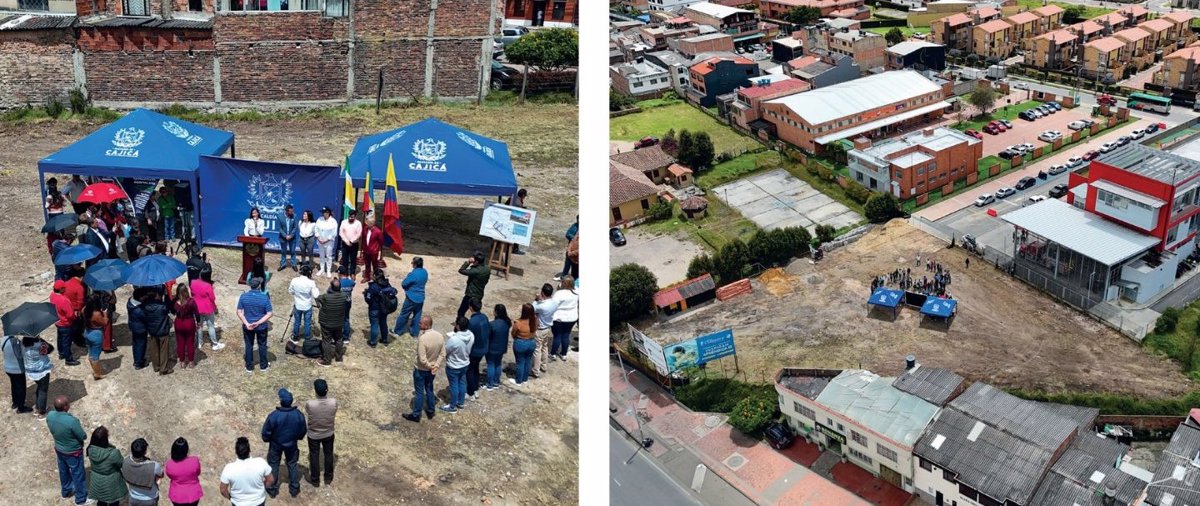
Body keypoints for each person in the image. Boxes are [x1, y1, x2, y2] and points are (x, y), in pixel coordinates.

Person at [261, 388, 306, 498]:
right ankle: (294, 488)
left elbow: (266, 433)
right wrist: (297, 438)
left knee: (274, 464)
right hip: (292, 445)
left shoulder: (274, 416)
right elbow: (302, 431)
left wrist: (268, 439)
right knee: (292, 464)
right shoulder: (299, 415)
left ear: (281, 401)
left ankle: (271, 489)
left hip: (276, 445)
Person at [402, 316, 445, 423]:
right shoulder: (439, 336)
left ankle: (416, 414)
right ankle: (431, 410)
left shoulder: (423, 339)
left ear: (426, 325)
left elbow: (422, 359)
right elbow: (443, 353)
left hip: (421, 370)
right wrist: (436, 365)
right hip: (432, 371)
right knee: (429, 389)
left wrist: (430, 366)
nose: (419, 324)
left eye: (420, 323)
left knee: (419, 392)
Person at [48, 396, 90, 505]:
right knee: (78, 474)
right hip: (73, 452)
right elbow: (83, 436)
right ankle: (81, 499)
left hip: (59, 449)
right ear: (66, 406)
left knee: (63, 471)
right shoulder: (71, 421)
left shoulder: (50, 416)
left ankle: (66, 492)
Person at [5, 334, 53, 417]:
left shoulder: (22, 343)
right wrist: (41, 340)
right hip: (41, 370)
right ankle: (41, 412)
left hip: (30, 371)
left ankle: (39, 407)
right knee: (43, 390)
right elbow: (50, 349)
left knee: (40, 387)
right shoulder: (40, 345)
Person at [219, 437, 273, 506]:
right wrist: (263, 487)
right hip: (258, 502)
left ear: (236, 452)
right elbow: (270, 480)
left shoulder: (229, 469)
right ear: (249, 450)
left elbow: (223, 490)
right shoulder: (260, 463)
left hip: (238, 503)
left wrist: (230, 498)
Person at [304, 379, 338, 486]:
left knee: (314, 456)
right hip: (328, 432)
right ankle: (328, 477)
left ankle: (315, 479)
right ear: (327, 390)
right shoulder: (333, 402)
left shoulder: (310, 404)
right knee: (328, 454)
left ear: (315, 391)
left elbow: (308, 412)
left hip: (314, 434)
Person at [236, 278, 273, 373]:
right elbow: (269, 313)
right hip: (261, 327)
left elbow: (239, 312)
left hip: (248, 326)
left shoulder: (243, 296)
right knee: (262, 345)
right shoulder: (264, 297)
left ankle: (249, 367)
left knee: (249, 345)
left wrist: (247, 323)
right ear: (259, 285)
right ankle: (263, 366)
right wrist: (258, 322)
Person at [441, 316, 474, 414]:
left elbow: (446, 351)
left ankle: (452, 406)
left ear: (458, 326)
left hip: (454, 365)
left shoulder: (454, 339)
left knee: (454, 385)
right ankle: (461, 402)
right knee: (462, 383)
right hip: (465, 363)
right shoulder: (471, 335)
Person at [86, 426, 126, 506]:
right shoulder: (113, 453)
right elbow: (121, 463)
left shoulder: (90, 450)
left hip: (97, 481)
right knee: (114, 502)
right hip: (112, 482)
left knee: (101, 501)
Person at [313, 278, 349, 366]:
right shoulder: (344, 296)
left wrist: (328, 292)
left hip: (327, 323)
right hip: (339, 322)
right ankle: (338, 357)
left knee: (326, 341)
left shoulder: (326, 297)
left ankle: (327, 360)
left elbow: (318, 298)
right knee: (339, 339)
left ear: (331, 287)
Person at [392, 256, 427, 339]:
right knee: (417, 315)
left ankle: (398, 331)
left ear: (415, 264)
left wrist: (409, 275)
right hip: (421, 297)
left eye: (412, 263)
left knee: (404, 314)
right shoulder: (425, 272)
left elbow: (404, 284)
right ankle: (414, 333)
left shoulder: (413, 274)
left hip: (411, 298)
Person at [122, 438, 163, 506]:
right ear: (145, 452)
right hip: (150, 499)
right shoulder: (154, 465)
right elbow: (160, 474)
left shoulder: (125, 462)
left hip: (133, 497)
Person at [190, 269, 223, 351]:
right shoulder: (208, 285)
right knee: (210, 326)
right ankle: (215, 344)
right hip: (208, 308)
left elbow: (192, 294)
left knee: (199, 325)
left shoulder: (193, 282)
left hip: (197, 308)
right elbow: (213, 298)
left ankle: (199, 343)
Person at [465, 298, 491, 400]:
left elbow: (468, 337)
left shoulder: (472, 322)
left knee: (470, 370)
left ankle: (470, 392)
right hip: (483, 348)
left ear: (470, 307)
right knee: (475, 368)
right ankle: (475, 388)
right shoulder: (484, 317)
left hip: (475, 350)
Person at [164, 438, 203, 506]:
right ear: (186, 450)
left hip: (177, 495)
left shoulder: (169, 464)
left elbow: (170, 476)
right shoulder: (195, 461)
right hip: (193, 494)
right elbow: (198, 473)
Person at [364, 269, 397, 347]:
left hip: (374, 308)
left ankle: (373, 342)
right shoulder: (387, 284)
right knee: (383, 323)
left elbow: (368, 299)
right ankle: (384, 339)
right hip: (384, 308)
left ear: (375, 276)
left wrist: (366, 295)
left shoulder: (373, 286)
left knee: (374, 324)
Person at [288, 265, 320, 343]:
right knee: (307, 323)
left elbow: (290, 291)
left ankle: (295, 337)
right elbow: (316, 295)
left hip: (298, 305)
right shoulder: (311, 282)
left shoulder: (294, 280)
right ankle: (307, 338)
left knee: (297, 322)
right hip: (307, 306)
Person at [3, 333, 34, 413]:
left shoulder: (3, 339)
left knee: (14, 385)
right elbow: (19, 356)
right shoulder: (15, 342)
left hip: (7, 367)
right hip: (17, 369)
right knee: (21, 388)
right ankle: (21, 407)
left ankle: (15, 403)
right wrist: (23, 346)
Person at [143, 290, 173, 375]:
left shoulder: (146, 306)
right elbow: (169, 306)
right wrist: (167, 296)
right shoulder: (162, 306)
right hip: (163, 330)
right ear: (156, 296)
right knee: (164, 350)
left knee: (154, 349)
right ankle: (164, 368)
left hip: (152, 331)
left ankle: (156, 366)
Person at [51, 280, 80, 366]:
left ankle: (61, 353)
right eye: (64, 288)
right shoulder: (64, 300)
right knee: (66, 341)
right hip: (66, 323)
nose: (65, 289)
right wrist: (75, 317)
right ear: (61, 289)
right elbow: (70, 314)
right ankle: (69, 359)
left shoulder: (52, 295)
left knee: (60, 338)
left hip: (58, 321)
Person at [532, 283, 557, 378]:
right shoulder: (554, 302)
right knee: (545, 347)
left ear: (542, 292)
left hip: (540, 329)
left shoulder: (541, 306)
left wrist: (536, 300)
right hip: (548, 327)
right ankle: (544, 365)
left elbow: (532, 307)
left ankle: (536, 370)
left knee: (537, 349)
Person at [551, 275, 579, 361]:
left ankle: (553, 353)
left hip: (559, 317)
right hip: (571, 318)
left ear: (564, 283)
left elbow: (553, 305)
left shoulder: (559, 293)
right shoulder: (577, 292)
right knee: (566, 336)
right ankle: (564, 354)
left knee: (557, 336)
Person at [171, 285, 199, 369]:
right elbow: (196, 313)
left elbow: (172, 311)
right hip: (189, 322)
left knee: (180, 343)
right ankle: (191, 362)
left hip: (179, 322)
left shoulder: (175, 301)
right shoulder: (191, 301)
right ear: (186, 291)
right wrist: (198, 322)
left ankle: (182, 362)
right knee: (190, 343)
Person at [82, 294, 109, 380]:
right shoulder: (97, 314)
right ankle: (97, 374)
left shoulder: (84, 309)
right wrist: (105, 314)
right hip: (96, 334)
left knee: (91, 351)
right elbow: (105, 323)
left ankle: (93, 367)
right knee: (96, 356)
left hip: (87, 332)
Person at [457, 252, 490, 320]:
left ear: (477, 261)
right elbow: (486, 281)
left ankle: (461, 324)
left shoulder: (475, 270)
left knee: (461, 311)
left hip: (471, 294)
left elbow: (461, 270)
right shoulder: (487, 269)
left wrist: (468, 262)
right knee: (476, 311)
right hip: (480, 293)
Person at [510, 303, 538, 385]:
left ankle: (519, 381)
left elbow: (513, 333)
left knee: (520, 362)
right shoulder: (535, 320)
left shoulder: (518, 323)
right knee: (528, 361)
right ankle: (525, 379)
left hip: (520, 343)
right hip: (532, 342)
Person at [486, 304, 511, 390]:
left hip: (492, 348)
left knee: (491, 365)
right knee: (498, 364)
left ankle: (489, 384)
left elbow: (487, 336)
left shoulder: (492, 324)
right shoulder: (507, 323)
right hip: (502, 348)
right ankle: (496, 382)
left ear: (496, 312)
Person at [314, 207, 338, 278]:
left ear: (328, 213)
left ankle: (328, 270)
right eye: (323, 212)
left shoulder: (333, 221)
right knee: (321, 256)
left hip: (329, 242)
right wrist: (318, 238)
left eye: (325, 212)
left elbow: (334, 233)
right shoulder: (319, 219)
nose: (324, 214)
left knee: (328, 256)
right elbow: (316, 229)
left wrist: (326, 240)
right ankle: (322, 269)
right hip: (320, 241)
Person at [338, 210, 362, 275]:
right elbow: (341, 232)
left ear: (355, 217)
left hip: (354, 244)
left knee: (353, 259)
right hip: (345, 244)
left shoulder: (358, 223)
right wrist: (346, 241)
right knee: (345, 259)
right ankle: (345, 272)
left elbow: (358, 234)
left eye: (352, 217)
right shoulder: (343, 222)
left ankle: (352, 273)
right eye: (350, 217)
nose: (350, 218)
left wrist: (351, 241)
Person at [555, 217, 578, 281]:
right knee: (567, 264)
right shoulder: (575, 226)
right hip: (570, 250)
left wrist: (573, 252)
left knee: (575, 268)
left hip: (576, 254)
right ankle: (563, 277)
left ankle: (573, 281)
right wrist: (569, 250)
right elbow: (568, 234)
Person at [360, 217, 383, 283]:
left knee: (375, 265)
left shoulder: (378, 231)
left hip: (374, 252)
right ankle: (367, 277)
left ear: (373, 223)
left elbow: (381, 241)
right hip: (366, 251)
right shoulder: (365, 229)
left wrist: (376, 248)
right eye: (368, 222)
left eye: (370, 223)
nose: (368, 224)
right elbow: (364, 239)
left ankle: (376, 277)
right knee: (367, 264)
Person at [338, 266, 356, 344]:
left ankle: (338, 335)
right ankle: (346, 337)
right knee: (346, 319)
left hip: (339, 303)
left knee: (338, 319)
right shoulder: (351, 282)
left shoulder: (338, 283)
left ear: (339, 273)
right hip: (348, 302)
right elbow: (353, 284)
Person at [278, 204, 298, 271]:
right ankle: (283, 264)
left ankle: (294, 264)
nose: (291, 213)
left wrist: (290, 235)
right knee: (283, 251)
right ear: (286, 211)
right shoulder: (280, 216)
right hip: (283, 237)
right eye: (290, 212)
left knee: (292, 251)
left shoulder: (294, 216)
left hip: (292, 237)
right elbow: (279, 228)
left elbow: (295, 227)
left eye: (292, 211)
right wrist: (285, 236)